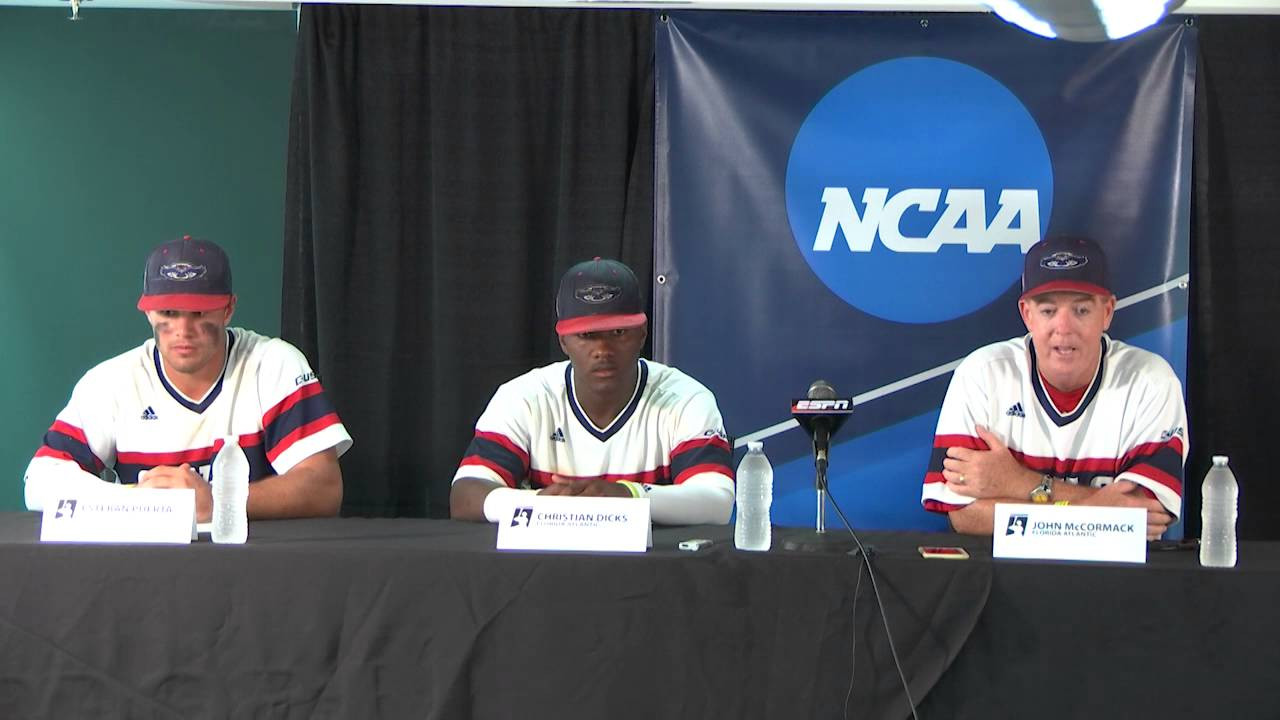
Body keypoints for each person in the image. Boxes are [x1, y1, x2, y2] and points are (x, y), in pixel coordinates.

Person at [24, 235, 352, 522]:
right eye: (169, 313)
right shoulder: (113, 382)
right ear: (149, 312)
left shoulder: (272, 364)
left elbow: (324, 488)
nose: (183, 330)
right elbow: (38, 482)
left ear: (228, 309)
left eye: (198, 313)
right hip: (147, 566)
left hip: (257, 564)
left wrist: (222, 502)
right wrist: (140, 500)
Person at [921, 235, 1187, 540]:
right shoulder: (983, 375)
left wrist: (1020, 483)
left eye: (1081, 311)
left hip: (1116, 580)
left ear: (1107, 312)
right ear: (1027, 314)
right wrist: (1098, 512)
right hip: (1004, 579)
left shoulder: (1150, 381)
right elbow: (963, 515)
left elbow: (1146, 517)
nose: (1064, 328)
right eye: (1048, 311)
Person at [450, 257, 735, 525]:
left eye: (618, 333)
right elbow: (464, 497)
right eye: (587, 335)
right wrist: (540, 502)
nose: (603, 350)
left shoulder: (686, 399)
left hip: (651, 571)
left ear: (642, 333)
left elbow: (718, 503)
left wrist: (627, 495)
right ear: (563, 341)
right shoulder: (524, 398)